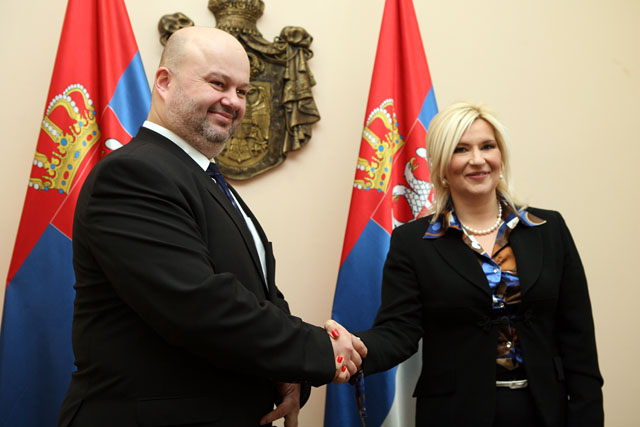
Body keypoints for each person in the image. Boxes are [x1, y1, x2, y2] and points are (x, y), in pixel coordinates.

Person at [58, 27, 365, 427]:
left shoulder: (203, 178)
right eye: (218, 84)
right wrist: (318, 350)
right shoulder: (133, 174)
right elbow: (197, 304)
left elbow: (258, 293)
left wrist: (287, 371)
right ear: (164, 82)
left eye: (243, 91)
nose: (233, 101)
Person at [331, 101, 603, 426]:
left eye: (487, 146)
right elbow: (398, 331)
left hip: (546, 410)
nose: (477, 159)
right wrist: (357, 349)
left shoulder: (549, 230)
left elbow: (578, 339)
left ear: (501, 156)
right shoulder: (413, 242)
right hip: (454, 414)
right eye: (461, 149)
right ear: (442, 165)